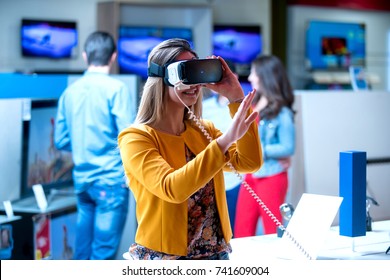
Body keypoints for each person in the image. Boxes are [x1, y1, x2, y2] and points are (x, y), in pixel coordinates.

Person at [118, 38, 262, 260]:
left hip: (215, 253)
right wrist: (225, 141)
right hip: (166, 258)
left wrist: (235, 96)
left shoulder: (203, 131)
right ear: (162, 78)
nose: (193, 83)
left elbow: (249, 162)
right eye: (184, 72)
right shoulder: (136, 138)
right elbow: (172, 188)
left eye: (196, 72)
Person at [54, 31, 137, 259]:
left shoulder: (69, 93)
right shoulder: (117, 89)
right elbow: (128, 138)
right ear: (113, 57)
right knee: (102, 256)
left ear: (84, 56)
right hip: (110, 182)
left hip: (82, 183)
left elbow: (60, 140)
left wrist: (84, 142)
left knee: (81, 253)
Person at [234, 54, 296, 237]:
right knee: (242, 230)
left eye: (254, 73)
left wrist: (258, 151)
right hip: (250, 175)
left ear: (265, 75)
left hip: (271, 176)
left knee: (272, 230)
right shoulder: (253, 104)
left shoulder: (281, 111)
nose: (251, 77)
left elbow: (288, 147)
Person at [202, 62, 243, 231]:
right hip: (208, 178)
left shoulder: (241, 107)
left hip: (235, 179)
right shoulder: (203, 107)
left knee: (232, 228)